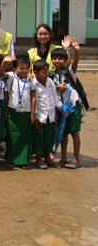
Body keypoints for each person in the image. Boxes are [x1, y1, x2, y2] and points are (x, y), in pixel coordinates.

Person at [50, 41, 82, 169]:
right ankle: (63, 157)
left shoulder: (69, 72)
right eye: (55, 58)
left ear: (64, 60)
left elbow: (74, 63)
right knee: (62, 132)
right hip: (60, 107)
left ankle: (76, 158)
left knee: (74, 132)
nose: (57, 61)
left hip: (73, 106)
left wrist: (76, 51)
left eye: (60, 58)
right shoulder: (51, 75)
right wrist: (57, 87)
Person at [1, 54, 36, 169]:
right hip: (13, 111)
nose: (24, 71)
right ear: (15, 69)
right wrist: (4, 62)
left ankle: (23, 161)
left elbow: (33, 97)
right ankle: (12, 160)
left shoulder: (31, 81)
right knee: (12, 136)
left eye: (27, 68)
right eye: (21, 68)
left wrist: (32, 113)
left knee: (25, 137)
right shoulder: (11, 77)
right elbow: (2, 73)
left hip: (26, 112)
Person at [31, 60, 62, 169]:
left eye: (47, 72)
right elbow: (34, 101)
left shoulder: (50, 82)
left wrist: (55, 112)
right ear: (36, 72)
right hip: (40, 115)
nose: (46, 74)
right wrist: (34, 116)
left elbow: (54, 97)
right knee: (39, 137)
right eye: (43, 72)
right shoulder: (33, 84)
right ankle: (39, 158)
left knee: (49, 136)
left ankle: (48, 156)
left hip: (50, 114)